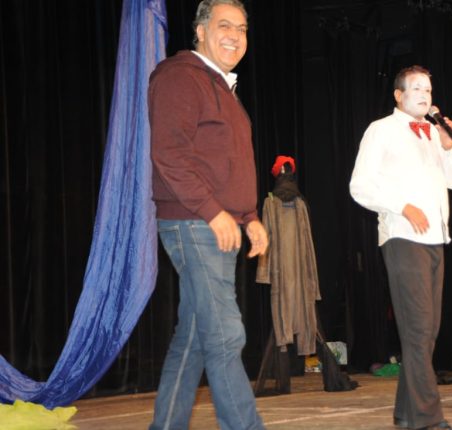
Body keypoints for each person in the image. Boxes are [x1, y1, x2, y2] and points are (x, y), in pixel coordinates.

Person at [147, 0, 267, 428]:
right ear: (200, 31)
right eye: (224, 25)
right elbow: (169, 154)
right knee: (225, 336)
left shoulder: (220, 87)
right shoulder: (180, 77)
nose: (235, 35)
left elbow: (229, 165)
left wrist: (250, 216)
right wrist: (213, 212)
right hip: (195, 223)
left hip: (213, 222)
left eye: (242, 28)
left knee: (195, 339)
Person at [350, 65, 452, 430]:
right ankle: (427, 419)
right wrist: (402, 206)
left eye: (428, 90)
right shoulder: (380, 130)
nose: (424, 95)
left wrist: (448, 148)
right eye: (416, 89)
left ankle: (405, 411)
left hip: (436, 239)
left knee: (428, 332)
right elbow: (359, 185)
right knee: (417, 330)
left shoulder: (432, 133)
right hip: (403, 237)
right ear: (398, 95)